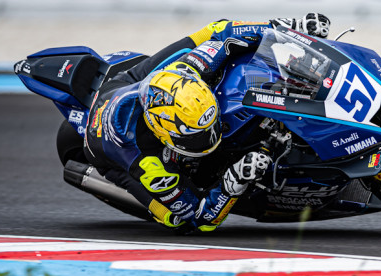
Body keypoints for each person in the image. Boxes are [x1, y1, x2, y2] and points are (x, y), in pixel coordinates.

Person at [82, 13, 331, 232]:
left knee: (211, 31)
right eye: (200, 135)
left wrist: (292, 27)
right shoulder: (147, 163)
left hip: (130, 85)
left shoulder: (189, 69)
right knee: (177, 221)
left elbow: (225, 31)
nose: (213, 136)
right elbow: (200, 219)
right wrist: (234, 180)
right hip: (104, 148)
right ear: (165, 135)